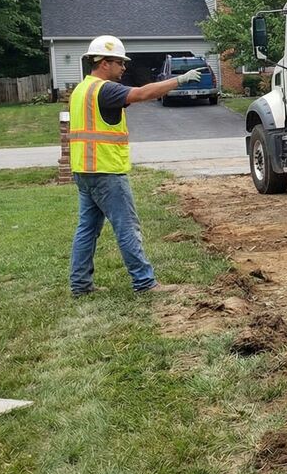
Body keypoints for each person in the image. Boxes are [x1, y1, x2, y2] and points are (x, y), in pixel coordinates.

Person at [69, 35, 204, 297]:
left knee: (86, 229)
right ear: (104, 62)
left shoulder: (81, 90)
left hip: (84, 170)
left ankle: (80, 286)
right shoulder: (105, 90)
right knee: (127, 227)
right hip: (106, 171)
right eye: (120, 62)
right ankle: (144, 283)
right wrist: (179, 79)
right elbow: (142, 93)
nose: (124, 68)